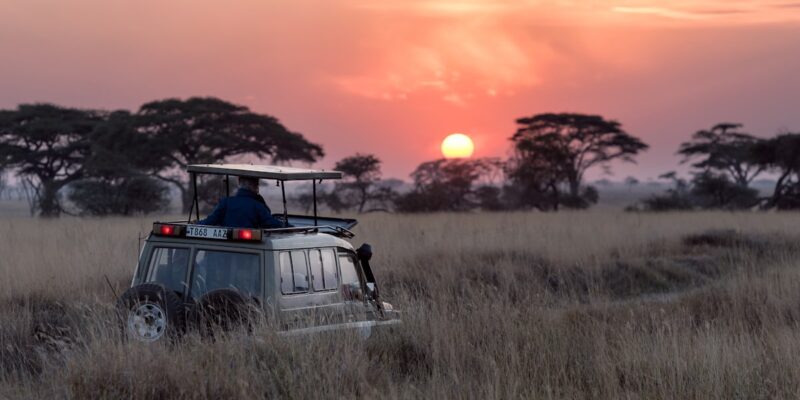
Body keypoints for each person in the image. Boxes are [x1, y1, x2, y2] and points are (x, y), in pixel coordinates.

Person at [199, 176, 287, 229]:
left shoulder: (225, 202)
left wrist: (196, 223)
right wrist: (287, 226)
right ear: (254, 186)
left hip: (226, 247)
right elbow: (270, 223)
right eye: (256, 184)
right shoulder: (258, 205)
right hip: (251, 247)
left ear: (239, 183)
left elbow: (211, 220)